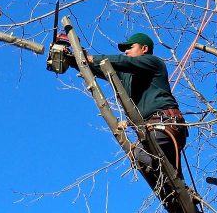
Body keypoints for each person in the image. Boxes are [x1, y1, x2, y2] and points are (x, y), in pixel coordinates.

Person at [78, 33, 191, 212]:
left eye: (130, 47)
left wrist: (92, 57)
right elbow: (100, 68)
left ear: (144, 49)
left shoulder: (153, 62)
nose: (126, 52)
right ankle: (184, 203)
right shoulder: (126, 75)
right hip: (152, 130)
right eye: (124, 49)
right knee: (167, 191)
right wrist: (75, 58)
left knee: (140, 155)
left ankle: (183, 192)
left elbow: (124, 63)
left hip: (165, 125)